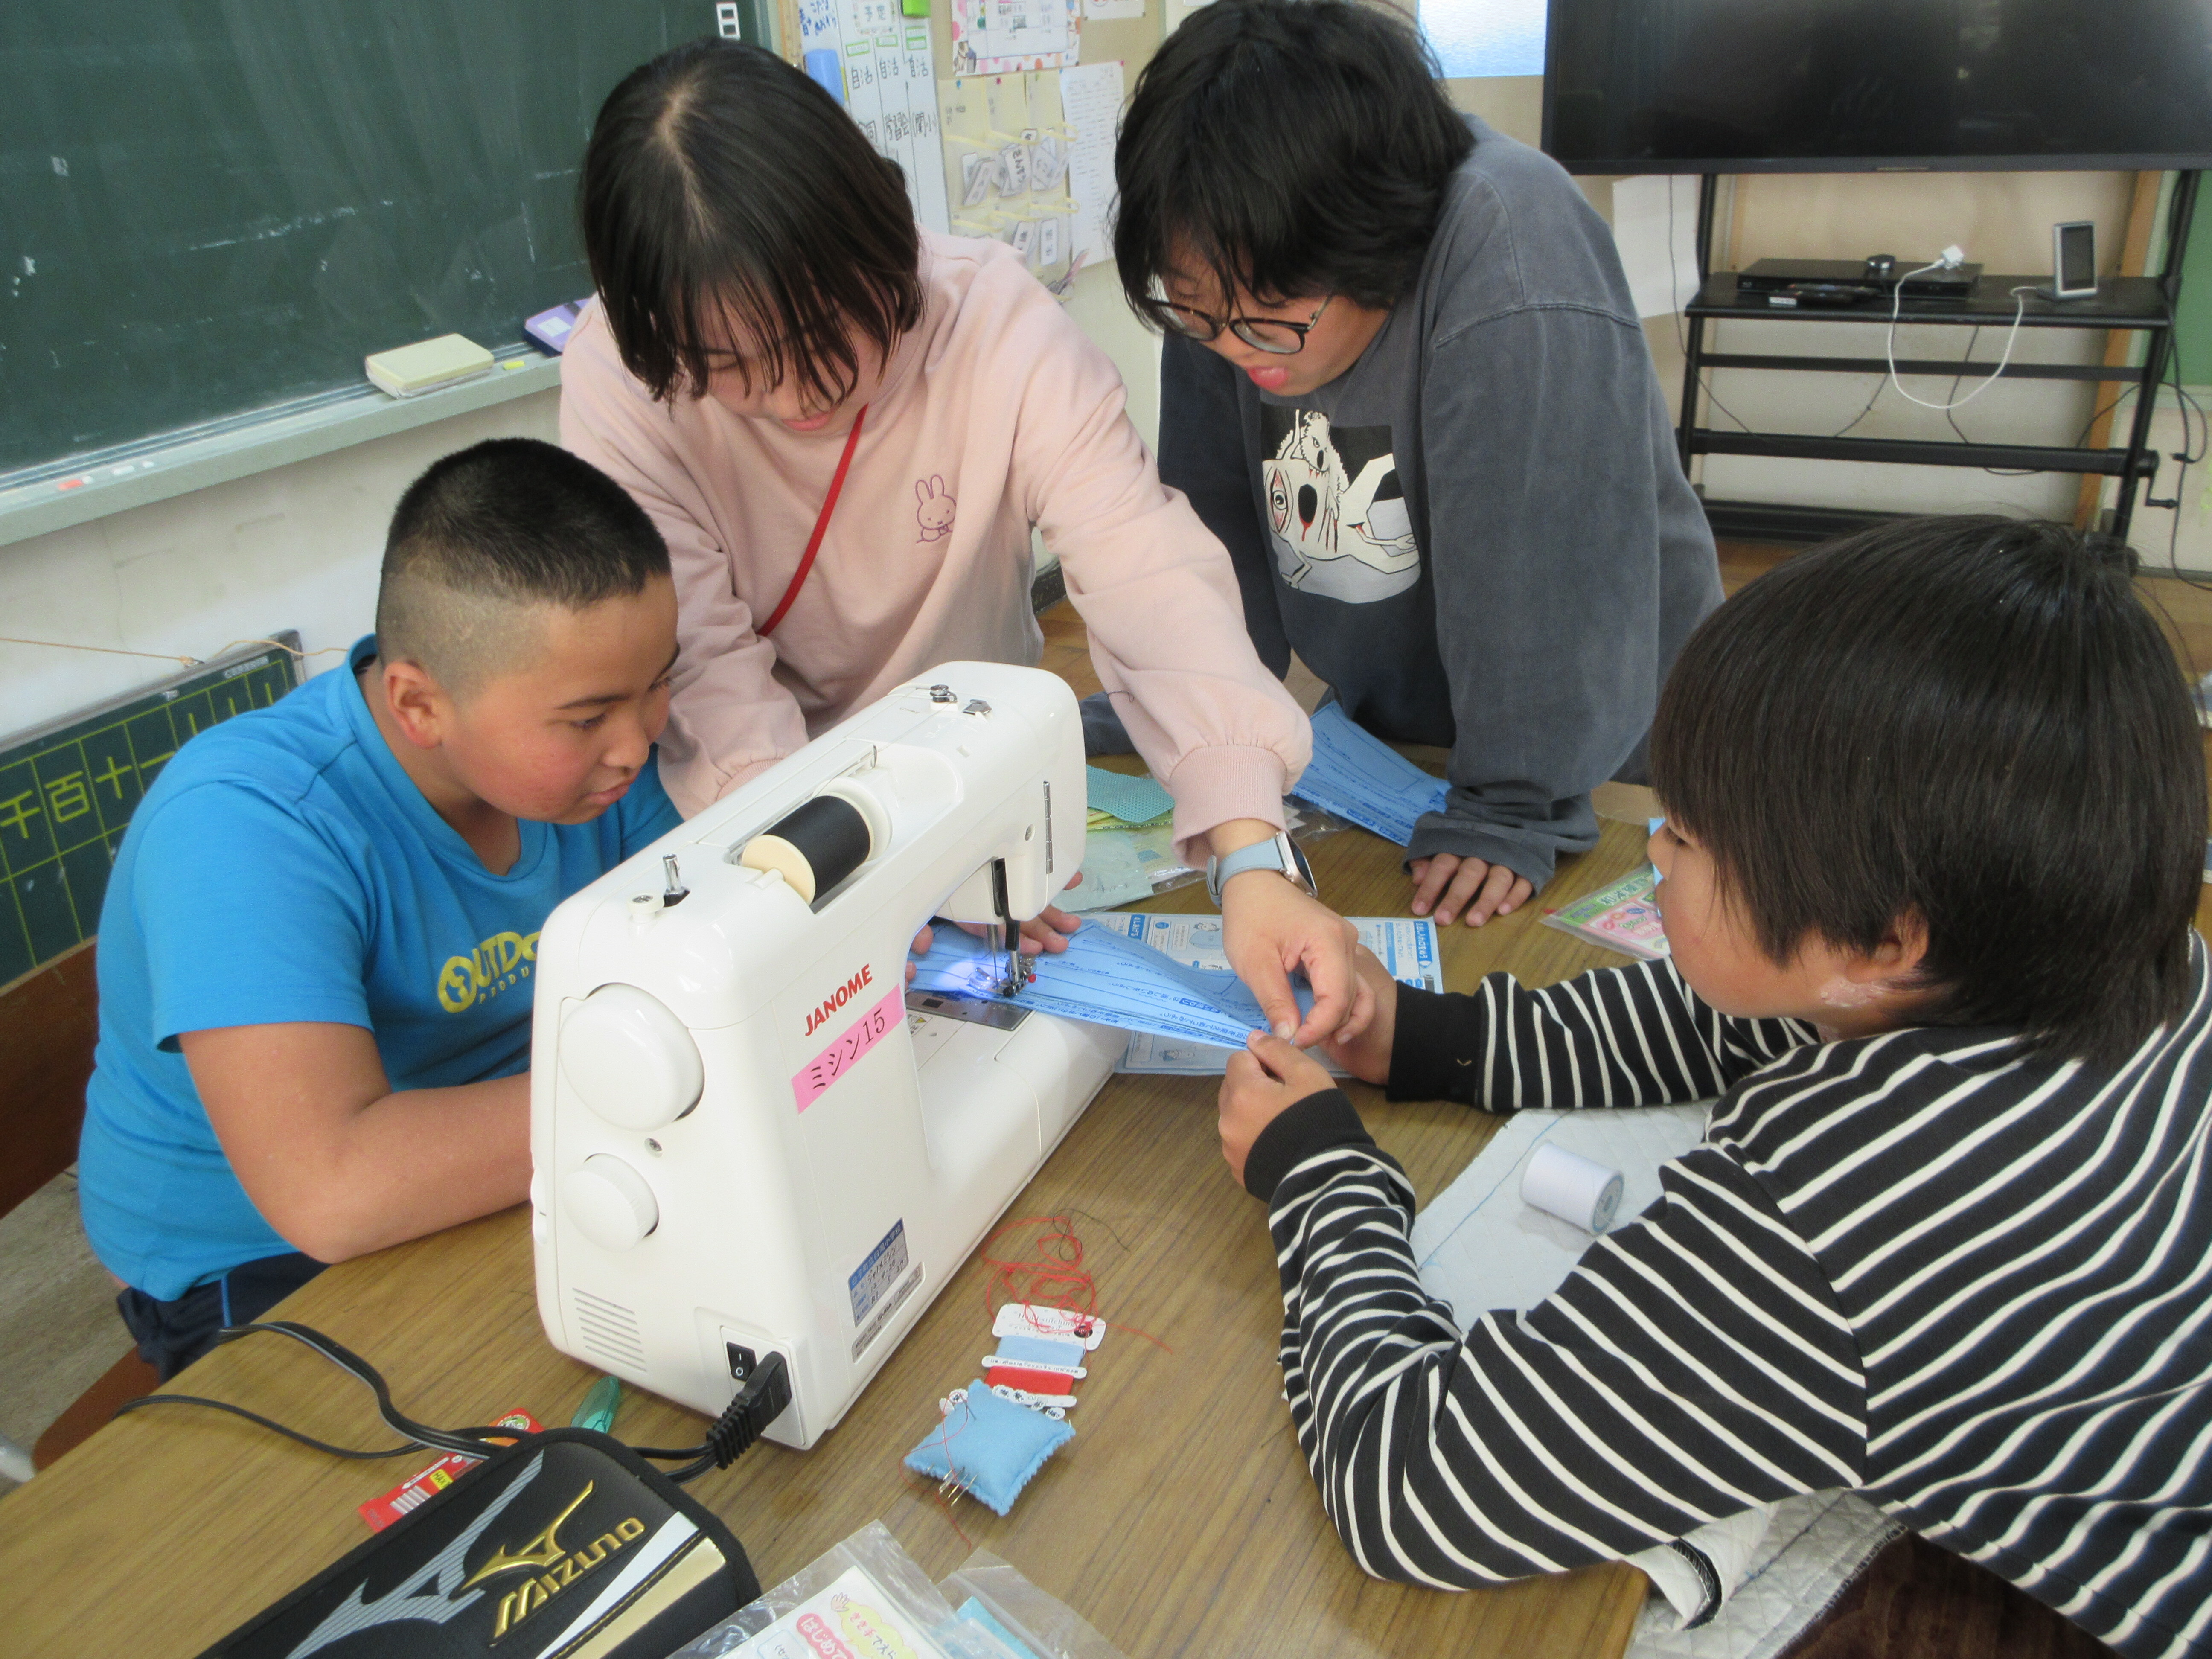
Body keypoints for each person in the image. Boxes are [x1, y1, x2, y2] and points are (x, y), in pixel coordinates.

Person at [1214, 517, 2212, 1657]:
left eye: (1688, 838)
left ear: (1883, 943)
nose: (1653, 851)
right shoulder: (2122, 954)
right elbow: (1750, 1004)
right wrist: (1434, 1038)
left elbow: (1416, 1487)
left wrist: (1320, 1175)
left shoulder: (1848, 1223)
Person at [560, 38, 1366, 1048]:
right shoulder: (622, 383)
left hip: (976, 779)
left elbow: (1144, 572)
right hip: (776, 823)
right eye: (729, 366)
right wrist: (847, 876)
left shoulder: (992, 323)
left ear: (879, 236)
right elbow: (708, 677)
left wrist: (1250, 856)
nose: (793, 392)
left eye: (821, 333)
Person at [1110, 0, 1723, 931]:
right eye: (1196, 313)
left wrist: (1514, 800)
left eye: (1271, 314)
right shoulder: (1226, 295)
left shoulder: (1514, 252)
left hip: (1602, 746)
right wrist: (1188, 711)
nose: (1235, 348)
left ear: (1372, 234)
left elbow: (1542, 570)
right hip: (1402, 736)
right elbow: (1213, 532)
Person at [77, 439, 685, 1377]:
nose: (638, 745)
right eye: (587, 718)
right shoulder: (247, 825)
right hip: (265, 1261)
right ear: (419, 705)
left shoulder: (590, 776)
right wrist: (664, 1088)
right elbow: (335, 1190)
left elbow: (696, 947)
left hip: (523, 1157)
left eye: (660, 685)